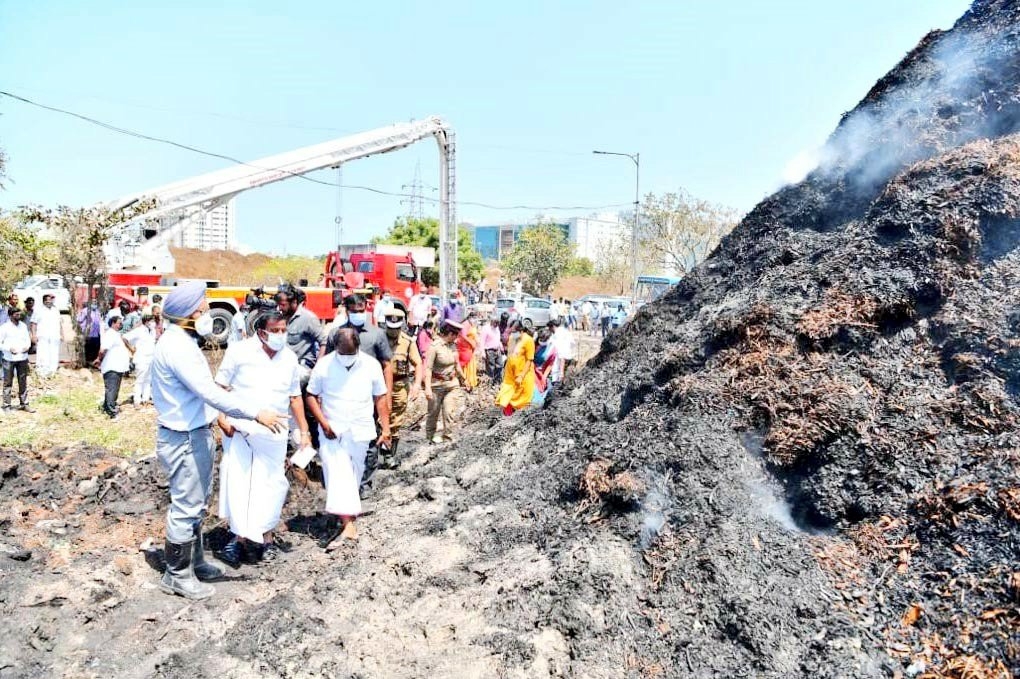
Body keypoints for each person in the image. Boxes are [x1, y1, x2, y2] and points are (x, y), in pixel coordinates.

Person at [151, 280, 285, 600]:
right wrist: (255, 413)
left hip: (191, 434)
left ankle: (195, 563)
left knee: (196, 505)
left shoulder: (180, 341)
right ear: (186, 313)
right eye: (201, 310)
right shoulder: (178, 348)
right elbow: (211, 393)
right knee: (186, 508)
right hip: (184, 439)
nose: (205, 314)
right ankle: (177, 574)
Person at [215, 311, 309, 566]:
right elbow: (220, 387)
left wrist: (304, 432)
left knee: (271, 485)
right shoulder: (239, 352)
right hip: (241, 429)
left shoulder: (289, 358)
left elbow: (294, 397)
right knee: (240, 483)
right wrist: (221, 417)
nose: (281, 335)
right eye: (275, 330)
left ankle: (266, 538)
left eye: (283, 330)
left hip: (275, 433)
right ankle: (238, 540)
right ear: (261, 331)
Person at [305, 327, 390, 546]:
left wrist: (387, 428)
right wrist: (323, 423)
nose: (347, 358)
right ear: (335, 349)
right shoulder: (324, 365)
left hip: (361, 429)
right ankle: (349, 526)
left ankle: (343, 515)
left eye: (351, 353)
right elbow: (311, 395)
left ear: (358, 348)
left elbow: (380, 397)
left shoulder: (371, 365)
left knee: (354, 475)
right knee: (337, 472)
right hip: (332, 430)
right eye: (343, 353)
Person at [382, 308, 423, 467]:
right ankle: (378, 451)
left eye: (396, 328)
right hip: (381, 385)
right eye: (390, 328)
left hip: (399, 385)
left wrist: (417, 384)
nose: (393, 332)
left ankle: (388, 455)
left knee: (395, 420)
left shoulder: (407, 342)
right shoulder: (379, 339)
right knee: (378, 418)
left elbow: (418, 363)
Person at [276, 284, 326, 388]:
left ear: (294, 302)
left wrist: (317, 369)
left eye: (283, 305)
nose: (280, 307)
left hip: (302, 368)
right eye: (279, 304)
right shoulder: (280, 317)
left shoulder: (308, 318)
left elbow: (324, 342)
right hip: (283, 366)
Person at [424, 321, 465, 444]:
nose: (456, 338)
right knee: (433, 414)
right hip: (437, 385)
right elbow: (428, 368)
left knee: (449, 412)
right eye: (455, 335)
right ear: (450, 333)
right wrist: (427, 388)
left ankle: (448, 438)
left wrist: (464, 379)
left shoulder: (453, 346)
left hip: (452, 385)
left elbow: (457, 365)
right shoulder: (434, 347)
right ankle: (430, 438)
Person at [95, 315, 132, 418]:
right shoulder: (110, 334)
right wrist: (99, 360)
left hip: (117, 366)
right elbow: (103, 350)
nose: (121, 325)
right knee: (112, 389)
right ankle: (111, 411)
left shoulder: (116, 334)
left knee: (114, 389)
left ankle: (106, 407)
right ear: (113, 323)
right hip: (112, 366)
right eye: (119, 323)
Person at [495, 324, 535, 415]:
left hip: (524, 375)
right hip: (511, 373)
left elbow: (529, 360)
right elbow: (511, 355)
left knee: (522, 399)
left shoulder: (528, 340)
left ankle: (520, 417)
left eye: (514, 332)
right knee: (506, 393)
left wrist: (521, 376)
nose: (512, 334)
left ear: (521, 331)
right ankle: (505, 416)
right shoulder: (512, 339)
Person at [0, 307, 34, 412]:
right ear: (11, 315)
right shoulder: (4, 327)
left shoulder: (23, 326)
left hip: (22, 358)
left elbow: (27, 340)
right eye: (16, 314)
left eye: (19, 314)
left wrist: (27, 347)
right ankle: (6, 406)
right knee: (8, 383)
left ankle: (24, 404)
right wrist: (8, 349)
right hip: (9, 358)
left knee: (23, 381)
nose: (19, 316)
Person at [124, 313, 157, 405]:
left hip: (151, 358)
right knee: (140, 380)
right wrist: (131, 349)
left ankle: (145, 399)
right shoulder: (139, 331)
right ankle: (137, 400)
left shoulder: (152, 331)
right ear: (146, 322)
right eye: (151, 321)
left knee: (148, 379)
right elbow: (125, 337)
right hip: (141, 358)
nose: (153, 323)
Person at [31, 293, 62, 378]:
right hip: (42, 336)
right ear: (43, 301)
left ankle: (53, 371)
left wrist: (62, 334)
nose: (49, 302)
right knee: (43, 353)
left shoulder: (55, 310)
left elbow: (59, 323)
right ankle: (42, 372)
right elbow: (33, 323)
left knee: (54, 353)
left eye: (50, 300)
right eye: (47, 300)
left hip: (54, 335)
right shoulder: (38, 310)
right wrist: (33, 335)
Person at [457, 311, 479, 391]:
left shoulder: (471, 324)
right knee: (465, 364)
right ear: (470, 317)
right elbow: (463, 336)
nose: (475, 320)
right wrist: (471, 343)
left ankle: (471, 382)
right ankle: (465, 382)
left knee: (470, 364)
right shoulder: (465, 324)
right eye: (474, 318)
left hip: (470, 348)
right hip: (465, 347)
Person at [551, 318, 576, 382]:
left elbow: (561, 355)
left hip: (562, 360)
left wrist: (561, 372)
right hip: (569, 356)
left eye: (550, 328)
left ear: (553, 327)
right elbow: (573, 343)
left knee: (557, 375)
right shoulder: (566, 331)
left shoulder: (557, 335)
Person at [479, 317, 504, 381]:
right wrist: (482, 352)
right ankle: (490, 382)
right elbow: (482, 341)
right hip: (489, 351)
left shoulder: (497, 328)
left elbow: (497, 338)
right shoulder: (486, 329)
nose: (496, 325)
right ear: (492, 322)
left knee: (500, 365)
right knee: (491, 367)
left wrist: (500, 346)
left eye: (497, 324)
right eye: (495, 323)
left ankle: (497, 381)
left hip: (497, 350)